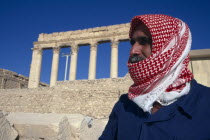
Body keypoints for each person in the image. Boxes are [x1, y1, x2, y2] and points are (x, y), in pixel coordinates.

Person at [99, 14, 210, 140]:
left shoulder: (206, 104)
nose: (133, 50)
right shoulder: (123, 105)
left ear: (171, 47)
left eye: (144, 41)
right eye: (132, 42)